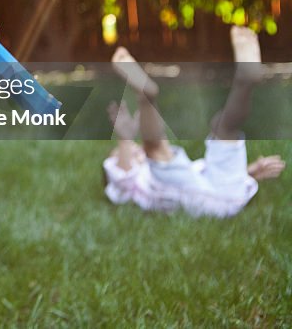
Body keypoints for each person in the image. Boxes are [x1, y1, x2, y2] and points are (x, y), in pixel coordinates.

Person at [103, 27, 285, 217]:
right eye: (122, 157)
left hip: (227, 195)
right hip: (213, 202)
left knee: (223, 127)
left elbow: (210, 186)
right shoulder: (133, 185)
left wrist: (248, 172)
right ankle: (145, 97)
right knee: (155, 149)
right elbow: (122, 177)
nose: (133, 149)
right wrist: (124, 139)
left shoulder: (172, 175)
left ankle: (244, 83)